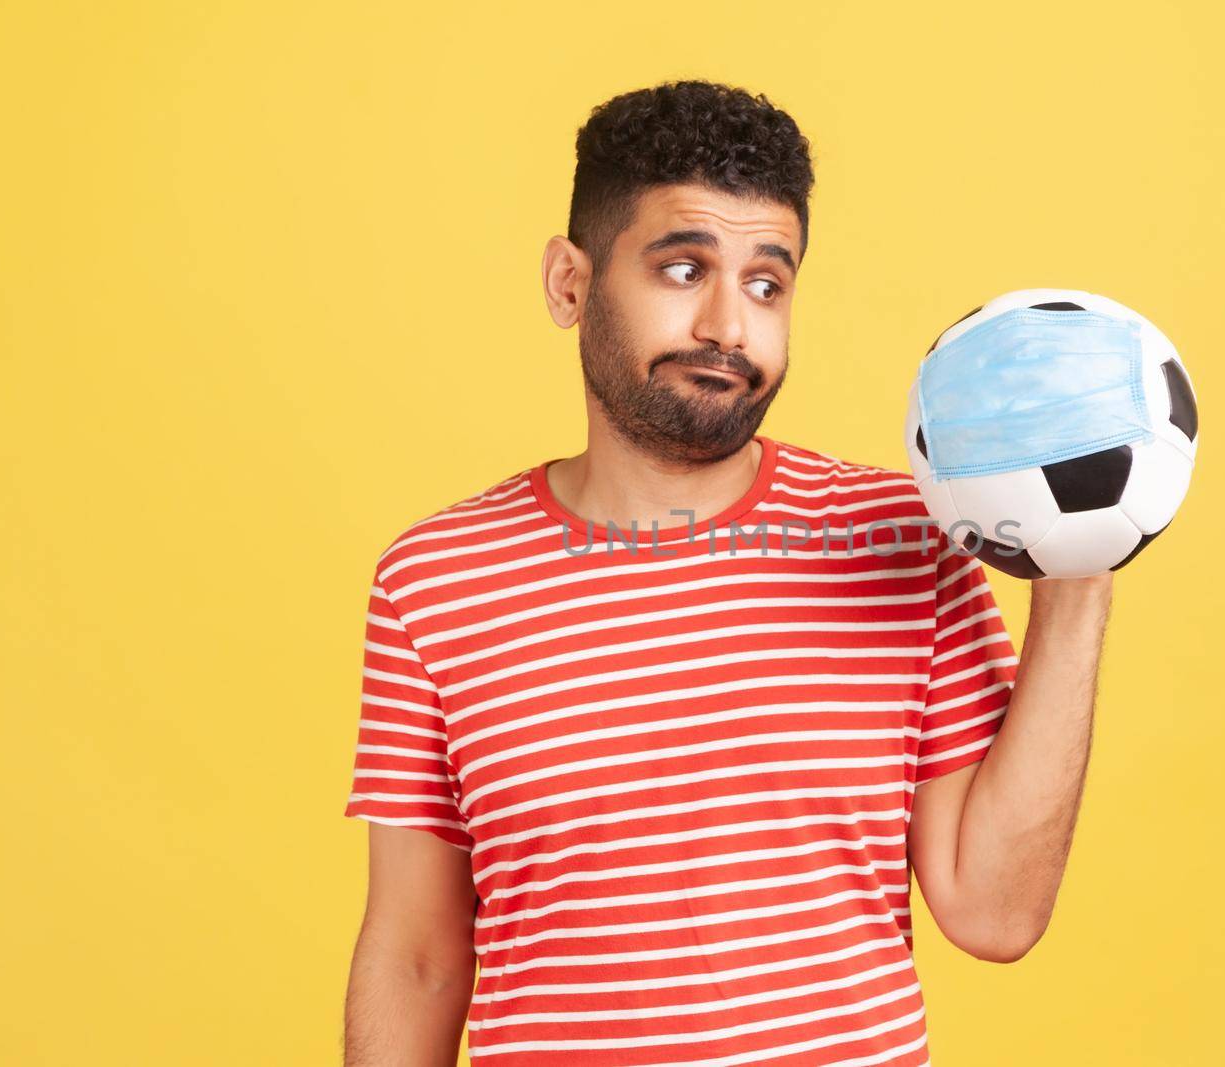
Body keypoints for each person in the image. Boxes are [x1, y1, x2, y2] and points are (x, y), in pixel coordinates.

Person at [341, 78, 1113, 1066]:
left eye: (765, 282)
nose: (728, 327)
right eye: (681, 267)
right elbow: (414, 954)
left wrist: (1079, 566)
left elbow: (995, 911)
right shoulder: (435, 579)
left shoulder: (901, 541)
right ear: (568, 284)